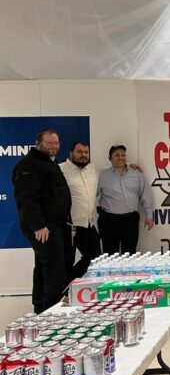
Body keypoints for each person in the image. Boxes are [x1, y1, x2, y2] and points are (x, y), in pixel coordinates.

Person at [12, 129, 72, 314]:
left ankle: (40, 308)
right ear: (38, 143)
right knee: (54, 269)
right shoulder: (29, 165)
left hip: (54, 225)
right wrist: (38, 225)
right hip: (44, 226)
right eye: (49, 143)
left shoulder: (47, 162)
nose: (54, 146)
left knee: (43, 266)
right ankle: (53, 311)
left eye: (56, 143)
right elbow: (26, 198)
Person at [97, 144, 155, 254]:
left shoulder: (136, 174)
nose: (121, 158)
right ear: (110, 158)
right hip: (109, 220)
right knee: (109, 254)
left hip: (130, 220)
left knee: (130, 253)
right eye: (117, 155)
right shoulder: (102, 175)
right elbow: (92, 194)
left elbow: (146, 194)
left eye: (123, 155)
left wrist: (149, 215)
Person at [59, 142, 102, 279]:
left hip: (88, 224)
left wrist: (130, 167)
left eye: (86, 152)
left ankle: (69, 284)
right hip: (69, 226)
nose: (83, 155)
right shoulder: (60, 169)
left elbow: (112, 171)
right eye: (79, 152)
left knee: (95, 258)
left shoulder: (94, 169)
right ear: (71, 153)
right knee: (66, 262)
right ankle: (63, 289)